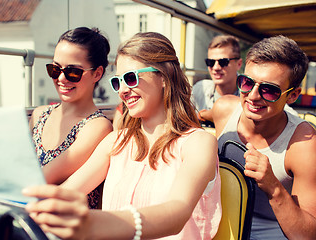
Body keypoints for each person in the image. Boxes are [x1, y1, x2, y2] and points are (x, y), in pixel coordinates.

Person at [23, 32, 221, 240]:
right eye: (118, 82)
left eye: (130, 78)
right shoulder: (116, 142)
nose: (123, 90)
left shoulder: (199, 142)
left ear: (163, 77)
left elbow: (177, 213)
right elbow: (69, 191)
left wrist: (93, 223)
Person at [211, 35, 316, 239]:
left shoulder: (304, 143)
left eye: (269, 90)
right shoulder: (223, 109)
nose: (253, 95)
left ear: (293, 95)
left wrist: (273, 186)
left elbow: (308, 235)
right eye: (247, 82)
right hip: (219, 220)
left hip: (273, 230)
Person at [28, 27, 113, 209]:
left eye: (73, 72)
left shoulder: (98, 127)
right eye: (54, 68)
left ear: (97, 74)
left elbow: (42, 178)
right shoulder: (38, 115)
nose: (61, 78)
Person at [192, 35, 242, 122]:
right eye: (210, 62)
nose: (216, 67)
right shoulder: (199, 89)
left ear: (239, 64)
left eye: (223, 62)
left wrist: (203, 115)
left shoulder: (250, 95)